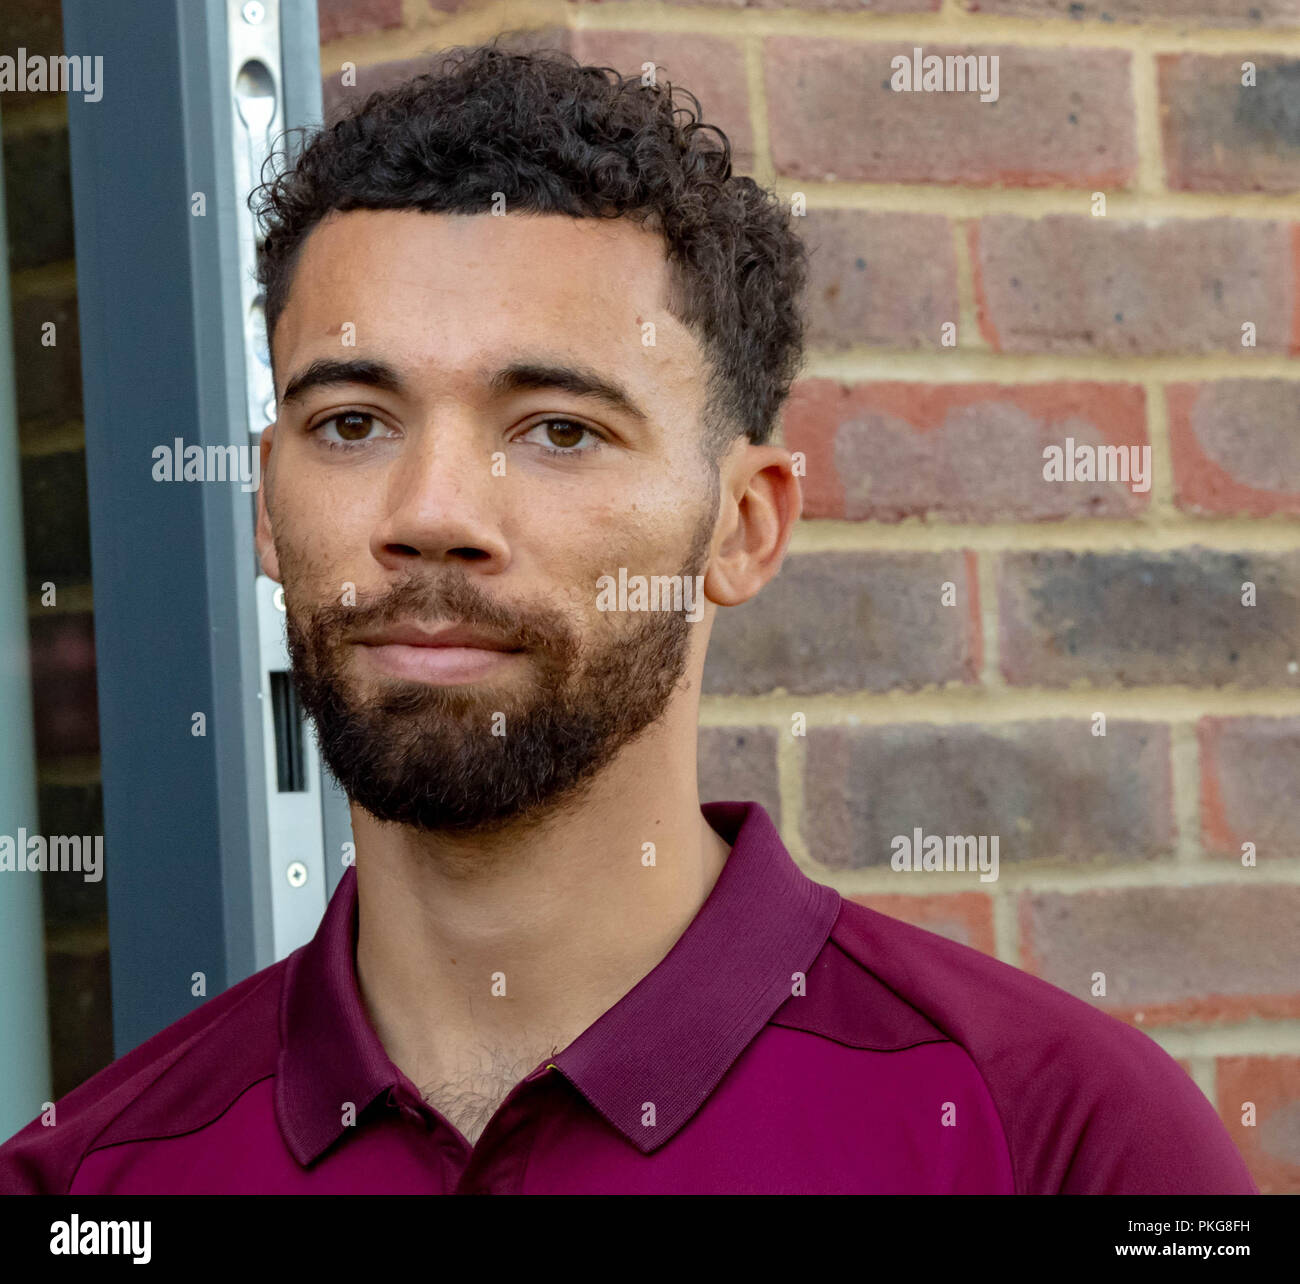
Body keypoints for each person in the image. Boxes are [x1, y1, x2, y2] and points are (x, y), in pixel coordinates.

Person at [0, 41, 1257, 1194]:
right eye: (353, 424)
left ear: (744, 525)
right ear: (268, 510)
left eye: (557, 431)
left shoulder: (1062, 1144)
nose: (431, 512)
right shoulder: (90, 1186)